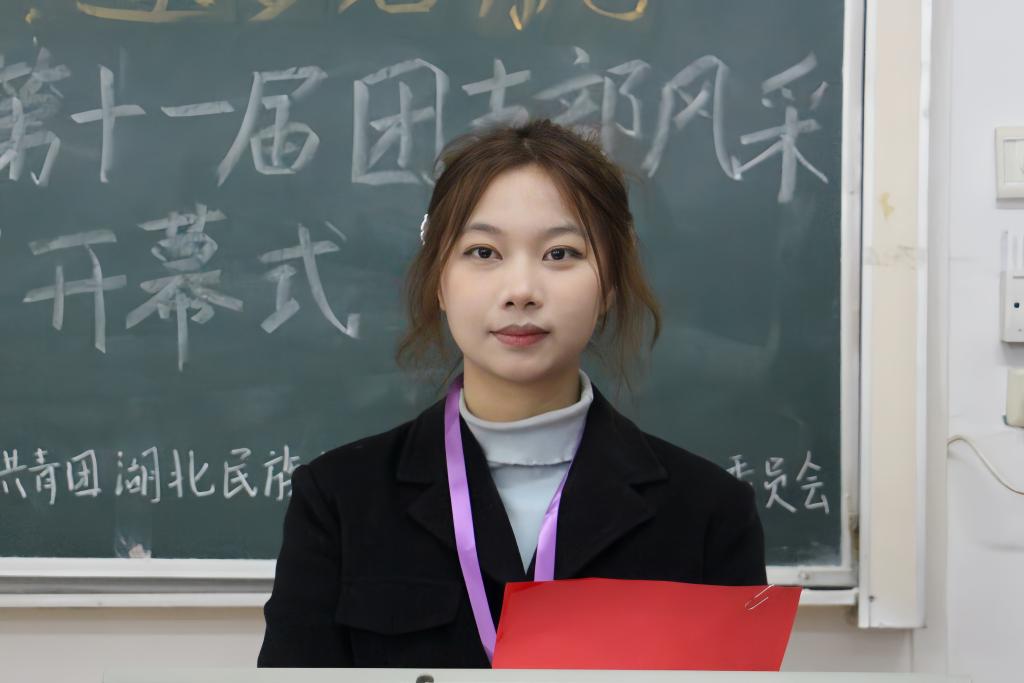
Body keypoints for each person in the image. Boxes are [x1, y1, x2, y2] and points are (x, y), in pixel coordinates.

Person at [257, 119, 766, 669]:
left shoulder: (711, 513)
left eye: (560, 254)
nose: (521, 290)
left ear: (609, 289)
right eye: (483, 252)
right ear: (440, 282)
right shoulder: (337, 501)